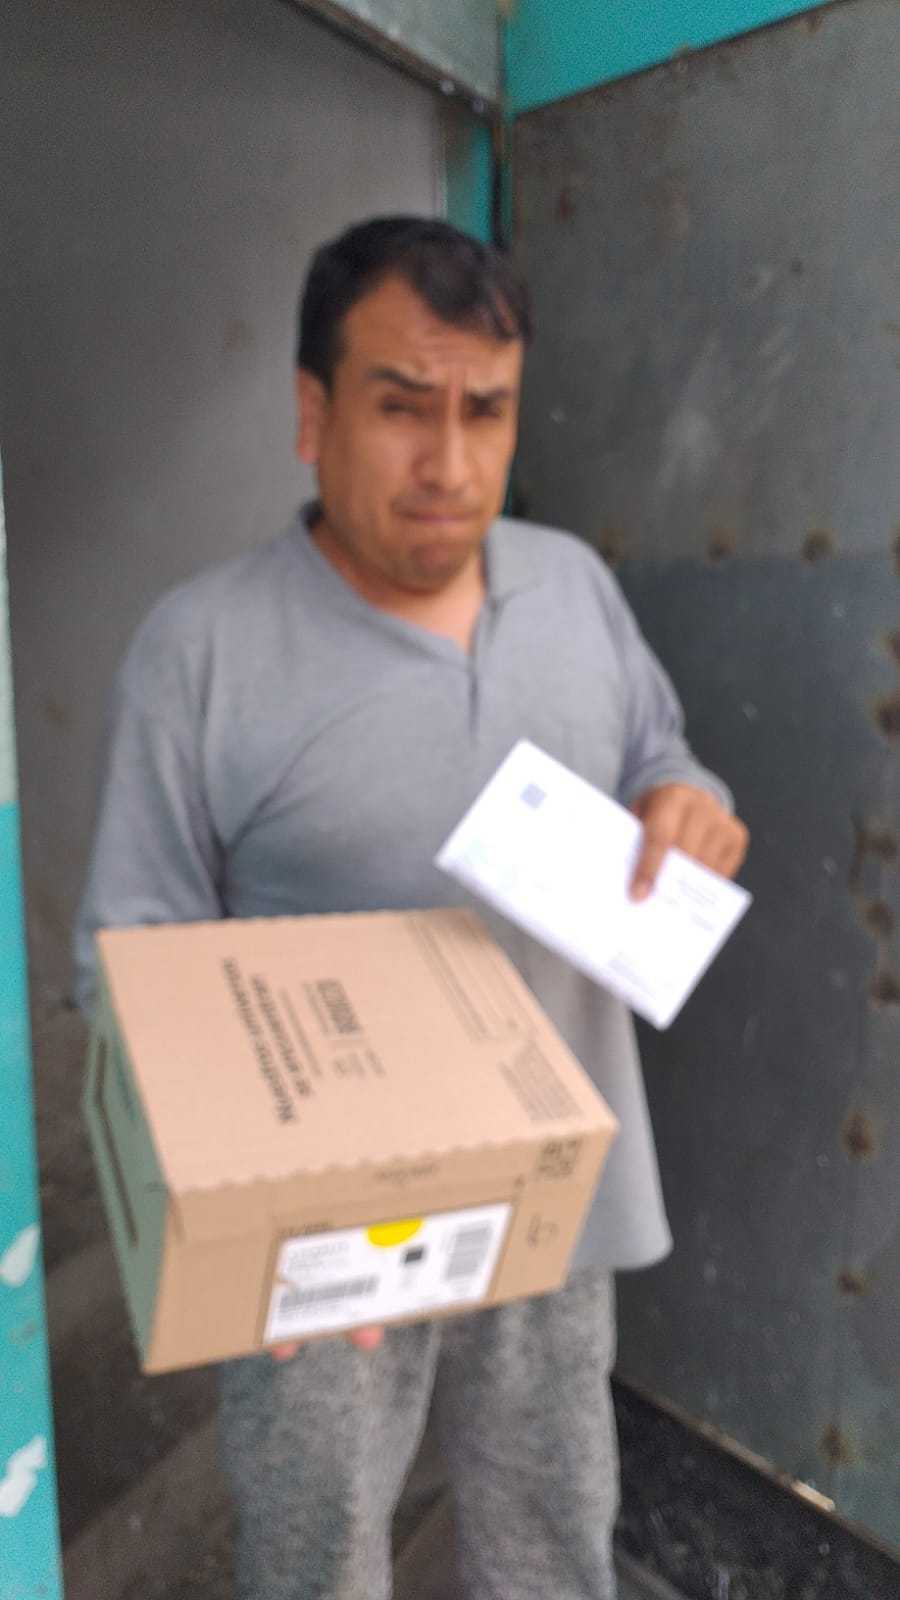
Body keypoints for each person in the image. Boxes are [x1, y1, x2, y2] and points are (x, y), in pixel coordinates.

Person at [75, 216, 748, 1600]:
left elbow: (660, 752)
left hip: (552, 1191)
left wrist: (687, 799)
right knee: (318, 1551)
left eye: (485, 412)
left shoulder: (573, 587)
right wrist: (232, 1213)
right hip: (325, 1237)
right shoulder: (200, 651)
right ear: (311, 415)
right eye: (401, 407)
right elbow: (128, 960)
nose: (450, 464)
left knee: (553, 1528)